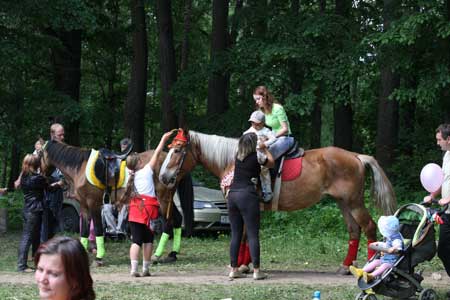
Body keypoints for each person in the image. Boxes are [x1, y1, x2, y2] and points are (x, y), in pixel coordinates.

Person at [120, 130, 176, 277]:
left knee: (136, 241)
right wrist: (163, 139)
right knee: (148, 240)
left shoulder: (129, 176)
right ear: (139, 162)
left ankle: (133, 269)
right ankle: (145, 269)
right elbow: (157, 153)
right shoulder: (146, 171)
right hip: (149, 210)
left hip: (135, 210)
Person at [228, 133, 275, 280]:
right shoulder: (257, 156)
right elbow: (271, 163)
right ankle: (256, 271)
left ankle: (234, 269)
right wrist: (265, 148)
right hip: (247, 195)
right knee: (253, 234)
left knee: (235, 234)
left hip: (232, 195)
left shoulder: (237, 156)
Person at [423, 123, 450, 299]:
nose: (438, 143)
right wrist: (432, 194)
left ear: (449, 139)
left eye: (439, 140)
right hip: (447, 212)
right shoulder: (447, 155)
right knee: (445, 251)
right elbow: (443, 180)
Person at [17, 154, 52, 272]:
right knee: (27, 237)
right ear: (36, 164)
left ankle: (35, 261)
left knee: (32, 236)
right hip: (34, 210)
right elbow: (49, 187)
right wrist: (59, 184)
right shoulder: (37, 178)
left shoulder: (24, 177)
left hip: (27, 209)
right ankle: (22, 265)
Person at [349, 216, 404, 283]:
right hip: (385, 259)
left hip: (393, 262)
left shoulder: (396, 239)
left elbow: (398, 247)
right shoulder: (389, 236)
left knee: (384, 266)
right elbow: (386, 244)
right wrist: (379, 246)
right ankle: (361, 271)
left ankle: (371, 276)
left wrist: (393, 249)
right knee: (375, 261)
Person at [253, 86, 295, 161]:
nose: (256, 102)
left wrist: (270, 137)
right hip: (274, 138)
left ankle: (267, 173)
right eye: (255, 100)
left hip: (285, 138)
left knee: (265, 157)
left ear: (265, 97)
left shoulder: (278, 108)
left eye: (258, 99)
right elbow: (255, 126)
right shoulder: (261, 111)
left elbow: (285, 129)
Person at [244, 110, 277, 202]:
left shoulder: (265, 130)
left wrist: (265, 144)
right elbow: (244, 142)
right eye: (253, 123)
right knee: (252, 174)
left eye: (257, 123)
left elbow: (273, 138)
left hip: (263, 154)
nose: (255, 125)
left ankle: (268, 192)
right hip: (252, 155)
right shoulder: (249, 132)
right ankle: (251, 192)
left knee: (264, 171)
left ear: (262, 123)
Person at [41, 124, 65, 243]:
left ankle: (50, 244)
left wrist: (64, 181)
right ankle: (44, 246)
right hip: (48, 188)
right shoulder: (45, 147)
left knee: (55, 219)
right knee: (46, 220)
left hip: (58, 190)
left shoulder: (63, 148)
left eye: (63, 134)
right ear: (52, 134)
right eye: (60, 135)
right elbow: (34, 164)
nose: (62, 137)